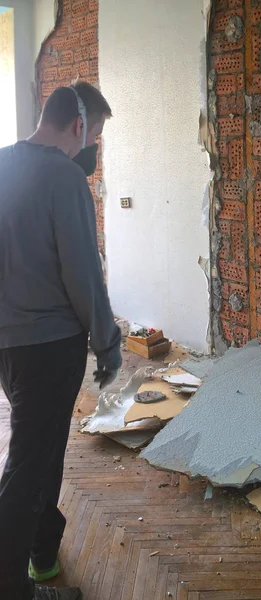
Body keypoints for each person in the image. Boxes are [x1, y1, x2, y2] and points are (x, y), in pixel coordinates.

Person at [0, 81, 122, 600]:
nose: (90, 147)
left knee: (42, 449)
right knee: (28, 467)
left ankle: (43, 555)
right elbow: (83, 276)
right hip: (50, 347)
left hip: (7, 345)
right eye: (93, 135)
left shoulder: (2, 164)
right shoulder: (66, 180)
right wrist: (108, 342)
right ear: (77, 126)